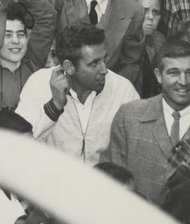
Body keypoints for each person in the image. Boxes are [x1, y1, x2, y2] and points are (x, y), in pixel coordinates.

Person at [16, 24, 138, 164]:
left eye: (104, 60)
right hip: (52, 182)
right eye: (94, 64)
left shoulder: (123, 89)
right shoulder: (39, 84)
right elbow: (21, 145)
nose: (104, 70)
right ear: (69, 67)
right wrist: (54, 107)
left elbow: (138, 147)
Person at [103, 38, 190, 204]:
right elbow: (112, 183)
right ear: (158, 75)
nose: (184, 81)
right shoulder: (129, 117)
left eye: (189, 73)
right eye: (174, 73)